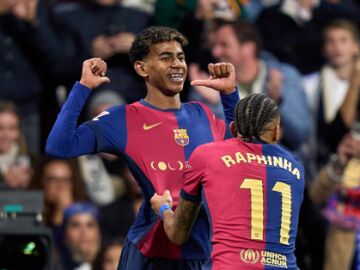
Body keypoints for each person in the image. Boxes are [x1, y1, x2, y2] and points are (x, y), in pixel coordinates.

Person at [46, 26, 239, 269]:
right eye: (165, 57)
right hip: (149, 253)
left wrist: (230, 95)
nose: (177, 64)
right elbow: (59, 146)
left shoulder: (202, 114)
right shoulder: (123, 119)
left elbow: (243, 150)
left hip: (202, 253)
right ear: (141, 68)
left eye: (180, 57)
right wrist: (83, 87)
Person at [151, 94, 305, 269]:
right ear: (276, 132)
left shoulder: (206, 156)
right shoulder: (296, 167)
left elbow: (177, 234)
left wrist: (163, 208)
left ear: (232, 129)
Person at [190, 18, 310, 153]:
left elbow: (301, 133)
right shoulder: (208, 85)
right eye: (214, 46)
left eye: (224, 45)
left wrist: (278, 102)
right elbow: (207, 143)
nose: (215, 52)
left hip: (282, 169)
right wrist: (220, 102)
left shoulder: (284, 76)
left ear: (248, 48)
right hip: (233, 169)